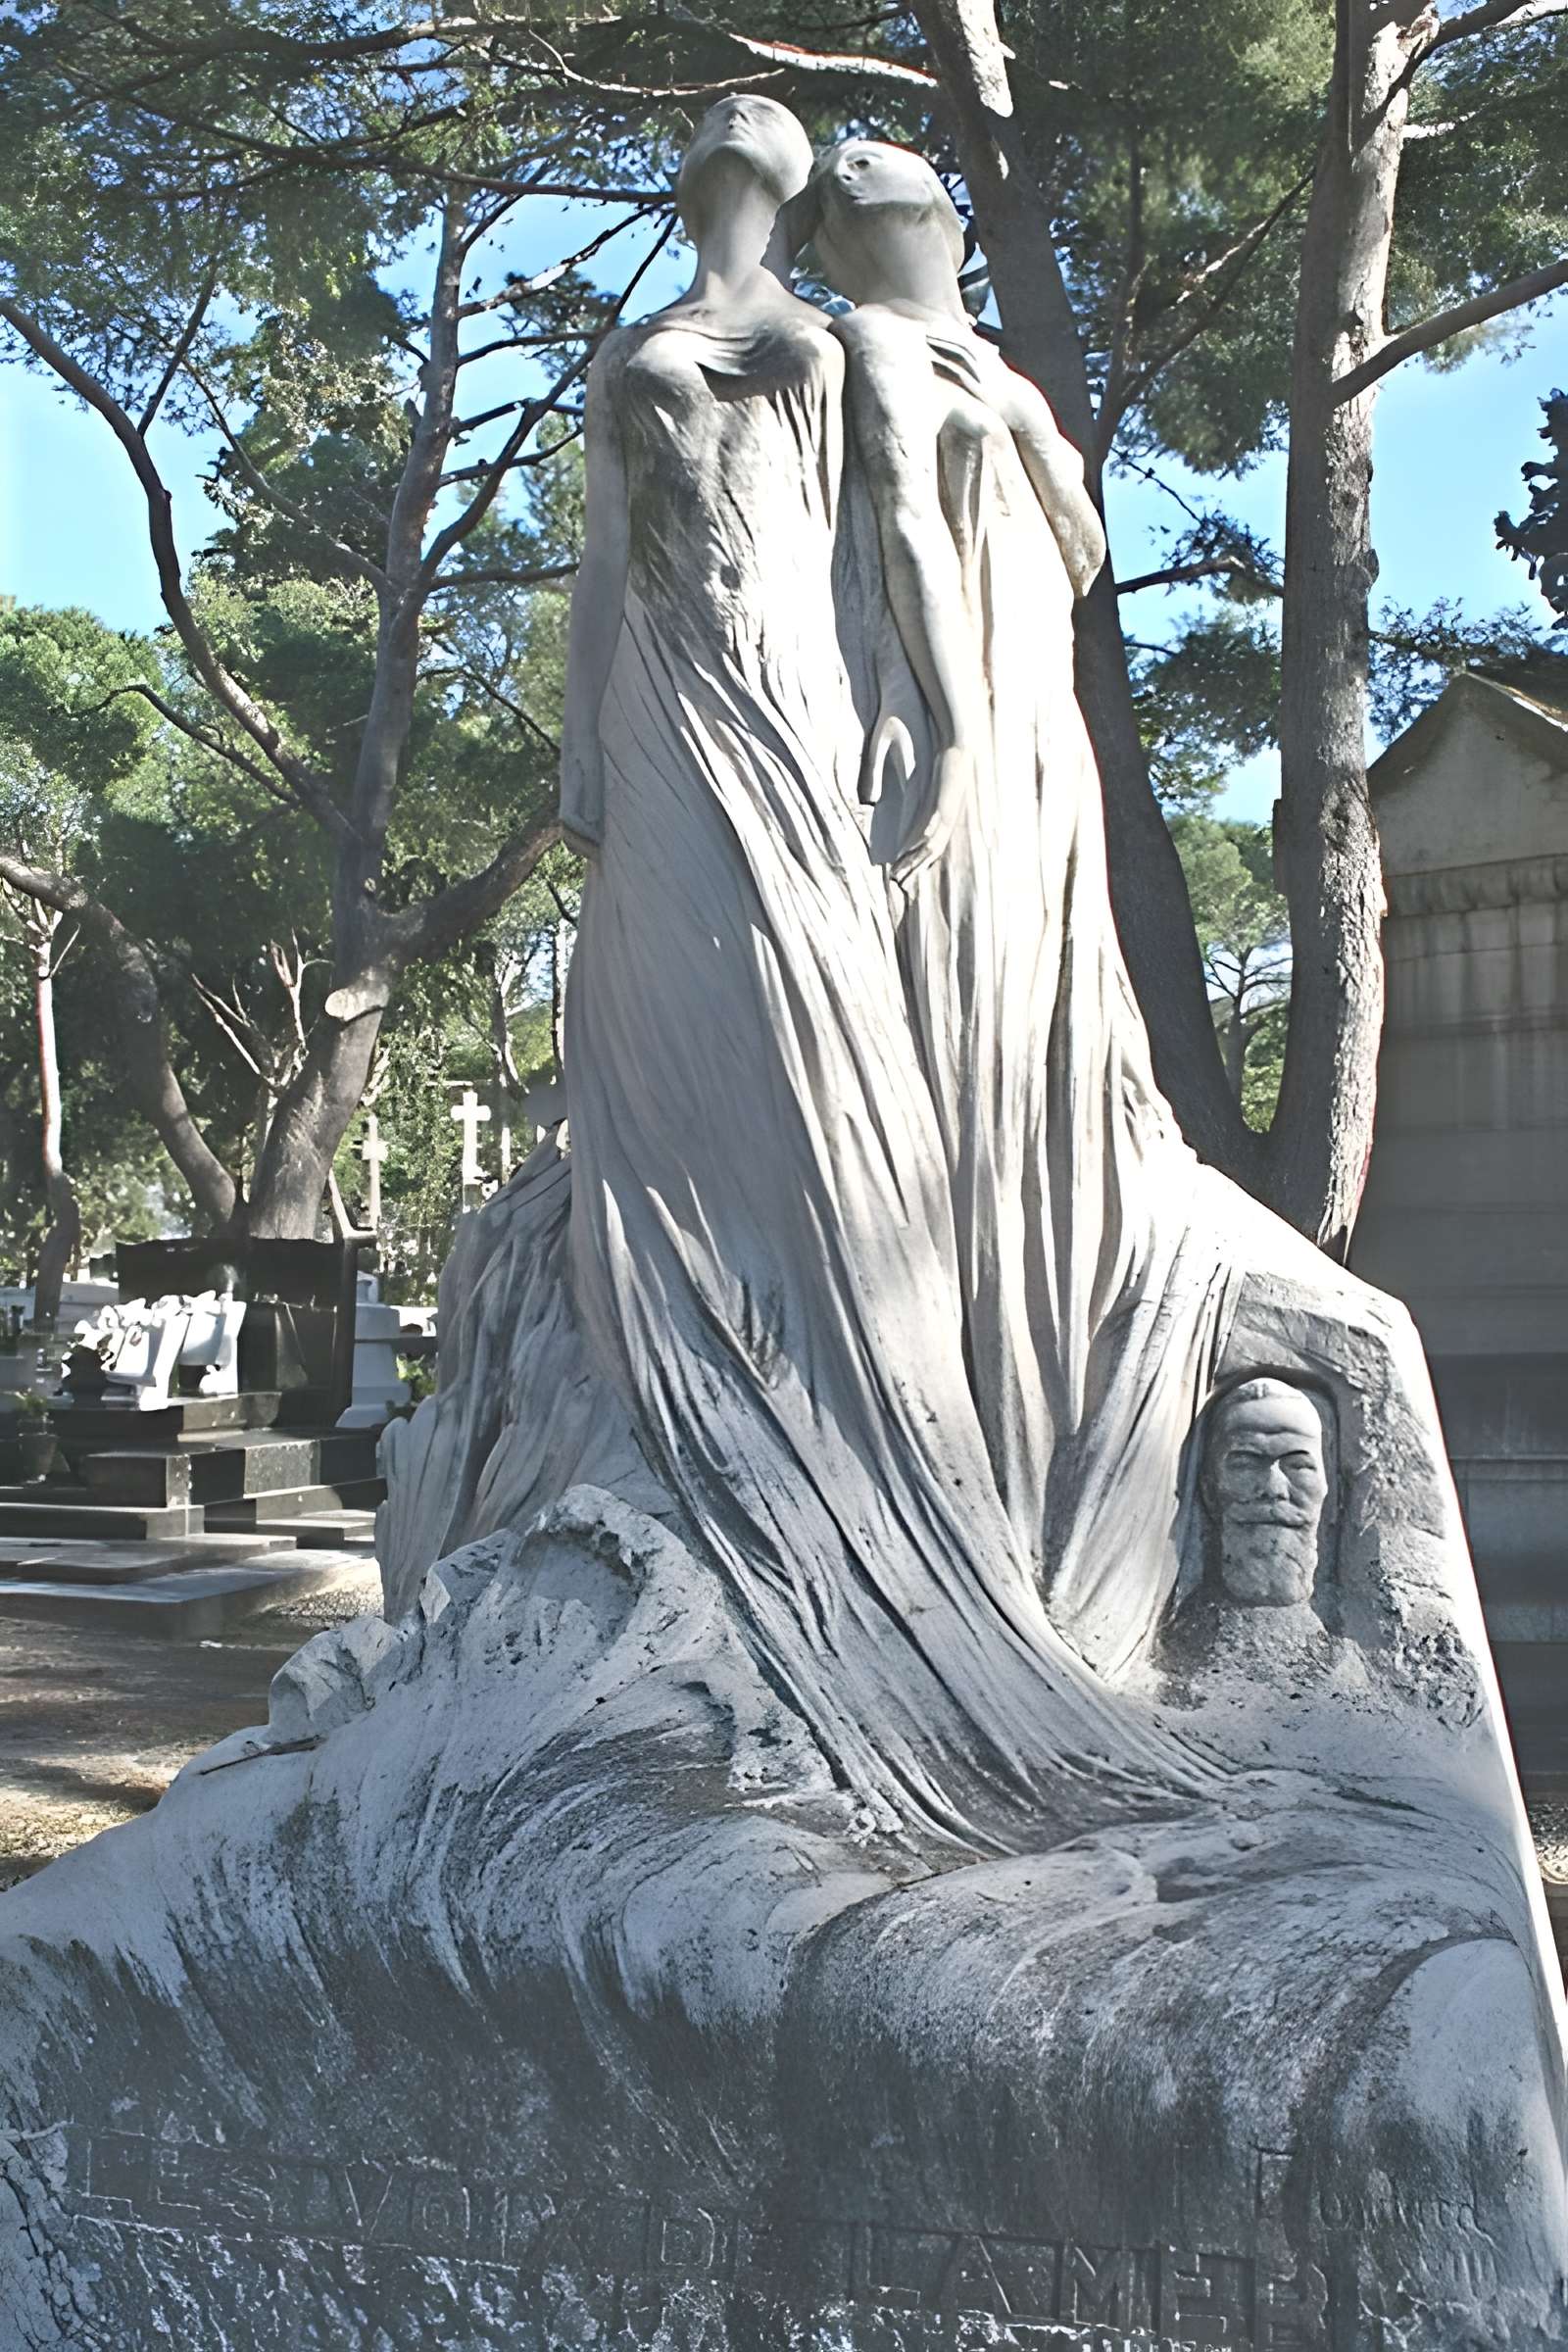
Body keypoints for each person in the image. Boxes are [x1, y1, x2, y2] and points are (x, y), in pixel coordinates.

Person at [798, 139, 1237, 1672]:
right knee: (968, 1008)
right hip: (952, 713)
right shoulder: (861, 342)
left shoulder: (974, 357)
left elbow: (1089, 545)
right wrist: (962, 722)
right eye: (842, 170)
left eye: (878, 152)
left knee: (1053, 996)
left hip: (1038, 719)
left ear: (937, 210)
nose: (860, 158)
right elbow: (906, 520)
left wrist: (1025, 429)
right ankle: (974, 1416)